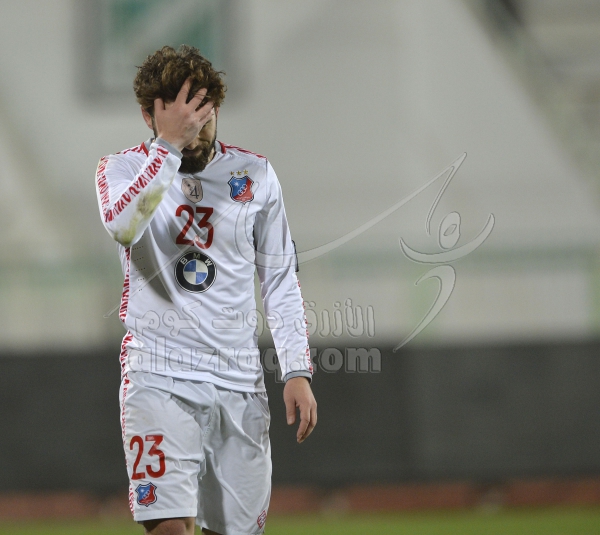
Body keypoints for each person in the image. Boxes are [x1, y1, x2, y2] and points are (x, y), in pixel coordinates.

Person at [95, 45, 316, 535]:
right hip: (158, 376)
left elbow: (280, 278)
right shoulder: (120, 170)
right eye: (182, 119)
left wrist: (296, 369)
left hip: (240, 384)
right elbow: (124, 226)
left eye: (203, 117)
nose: (194, 131)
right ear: (148, 115)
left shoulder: (256, 175)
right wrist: (168, 148)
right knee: (170, 528)